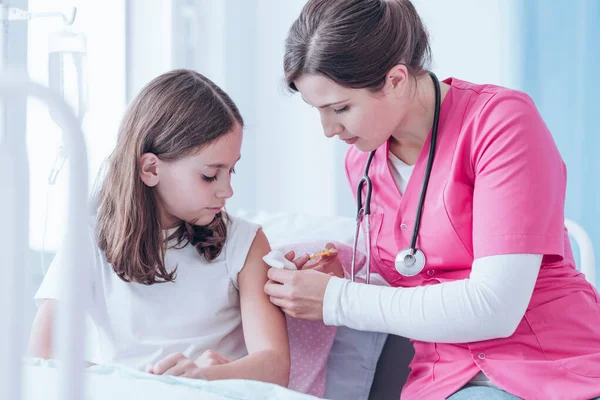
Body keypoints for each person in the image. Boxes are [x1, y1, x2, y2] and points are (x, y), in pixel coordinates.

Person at [264, 1, 600, 399]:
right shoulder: (363, 162)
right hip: (440, 383)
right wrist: (343, 279)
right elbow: (418, 278)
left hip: (550, 372)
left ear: (396, 79)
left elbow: (494, 306)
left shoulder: (501, 123)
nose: (327, 130)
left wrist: (338, 300)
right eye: (317, 110)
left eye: (340, 108)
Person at [28, 69, 290, 386]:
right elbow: (44, 355)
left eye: (231, 171)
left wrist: (205, 376)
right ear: (151, 168)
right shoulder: (89, 238)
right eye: (210, 175)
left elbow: (275, 366)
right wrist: (150, 384)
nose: (227, 191)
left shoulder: (246, 243)